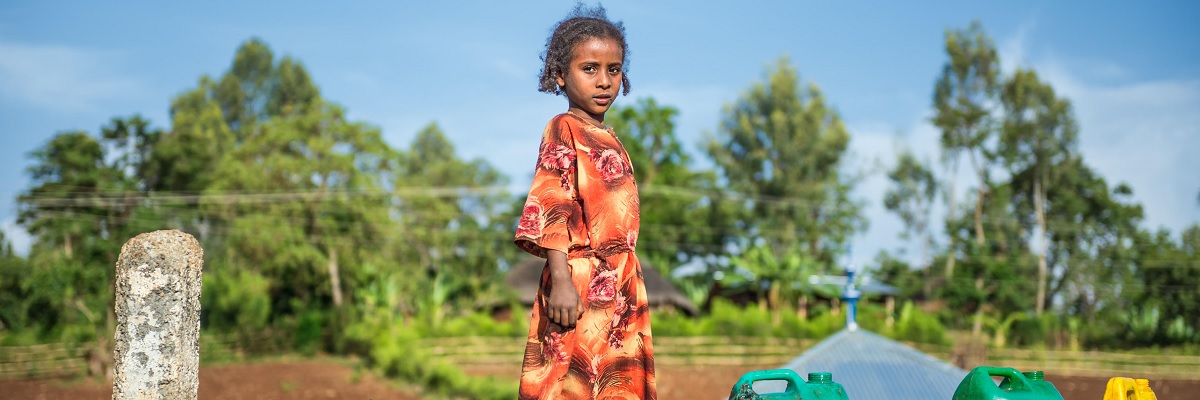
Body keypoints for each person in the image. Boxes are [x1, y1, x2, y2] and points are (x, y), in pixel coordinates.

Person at [513, 4, 656, 399]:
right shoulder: (564, 127)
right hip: (578, 281)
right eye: (589, 68)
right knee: (568, 384)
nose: (604, 81)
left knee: (616, 385)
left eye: (613, 69)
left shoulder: (610, 137)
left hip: (622, 281)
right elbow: (552, 201)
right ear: (561, 75)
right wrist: (560, 279)